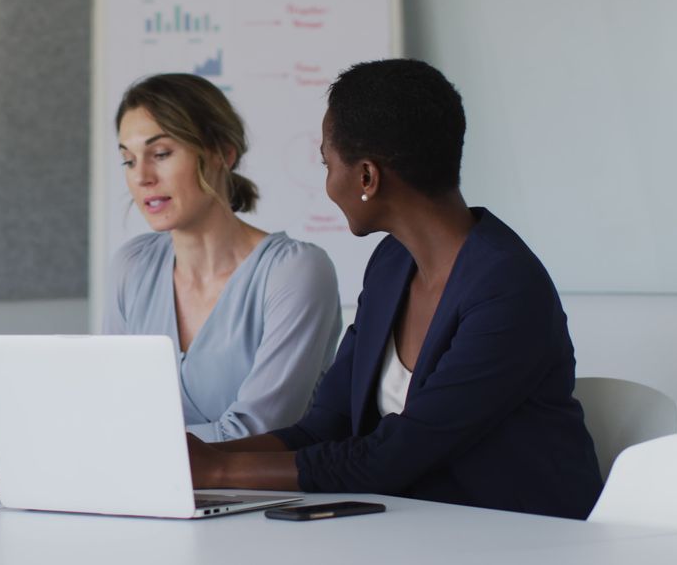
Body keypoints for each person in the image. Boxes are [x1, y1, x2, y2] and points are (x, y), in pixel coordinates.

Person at [186, 59, 604, 519]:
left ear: (366, 176)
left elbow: (389, 458)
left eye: (328, 164)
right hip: (417, 526)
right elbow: (327, 427)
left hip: (524, 536)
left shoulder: (506, 291)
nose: (327, 181)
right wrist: (203, 460)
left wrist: (220, 474)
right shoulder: (391, 265)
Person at [104, 73, 343, 442]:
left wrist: (132, 444)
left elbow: (259, 433)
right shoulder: (131, 267)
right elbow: (113, 412)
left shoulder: (294, 272)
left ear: (224, 153)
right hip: (149, 494)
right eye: (128, 161)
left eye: (161, 154)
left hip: (270, 497)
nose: (142, 177)